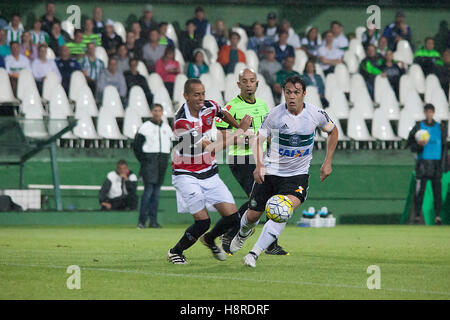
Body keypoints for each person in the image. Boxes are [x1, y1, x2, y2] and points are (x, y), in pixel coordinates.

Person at [229, 76, 338, 268]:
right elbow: (258, 140)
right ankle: (243, 233)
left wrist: (327, 161)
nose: (292, 96)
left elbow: (333, 131)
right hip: (271, 171)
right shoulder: (274, 115)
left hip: (297, 175)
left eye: (296, 92)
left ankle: (254, 253)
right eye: (288, 92)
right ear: (283, 93)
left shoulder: (316, 114)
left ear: (304, 94)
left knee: (283, 211)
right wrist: (259, 165)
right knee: (252, 216)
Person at [167, 78, 252, 264]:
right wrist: (240, 132)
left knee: (232, 218)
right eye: (196, 94)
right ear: (186, 96)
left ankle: (209, 239)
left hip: (208, 171)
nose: (201, 98)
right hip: (186, 174)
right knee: (203, 222)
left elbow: (222, 112)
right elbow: (210, 148)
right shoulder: (182, 122)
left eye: (203, 93)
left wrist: (238, 127)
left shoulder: (209, 105)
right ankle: (176, 251)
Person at [215, 68, 288, 255]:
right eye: (245, 81)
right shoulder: (230, 108)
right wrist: (243, 136)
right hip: (241, 158)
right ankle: (229, 232)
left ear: (257, 83)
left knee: (268, 199)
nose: (249, 84)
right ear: (238, 84)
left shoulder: (263, 106)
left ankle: (270, 243)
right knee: (258, 198)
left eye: (252, 81)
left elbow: (267, 134)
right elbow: (223, 138)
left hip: (262, 158)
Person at [406, 104, 447, 225]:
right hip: (423, 164)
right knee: (420, 192)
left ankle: (438, 216)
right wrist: (419, 145)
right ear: (424, 113)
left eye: (431, 112)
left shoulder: (440, 128)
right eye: (427, 112)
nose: (429, 114)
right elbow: (410, 144)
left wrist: (443, 165)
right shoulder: (419, 127)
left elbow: (444, 147)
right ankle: (417, 215)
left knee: (437, 192)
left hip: (436, 165)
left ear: (433, 113)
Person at [133, 104, 173, 228]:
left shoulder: (166, 127)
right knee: (149, 190)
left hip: (162, 160)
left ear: (162, 112)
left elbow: (171, 144)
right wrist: (144, 160)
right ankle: (142, 221)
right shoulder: (145, 127)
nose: (157, 113)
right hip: (149, 160)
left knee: (156, 192)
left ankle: (153, 221)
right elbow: (136, 146)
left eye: (159, 110)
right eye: (155, 110)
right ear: (151, 112)